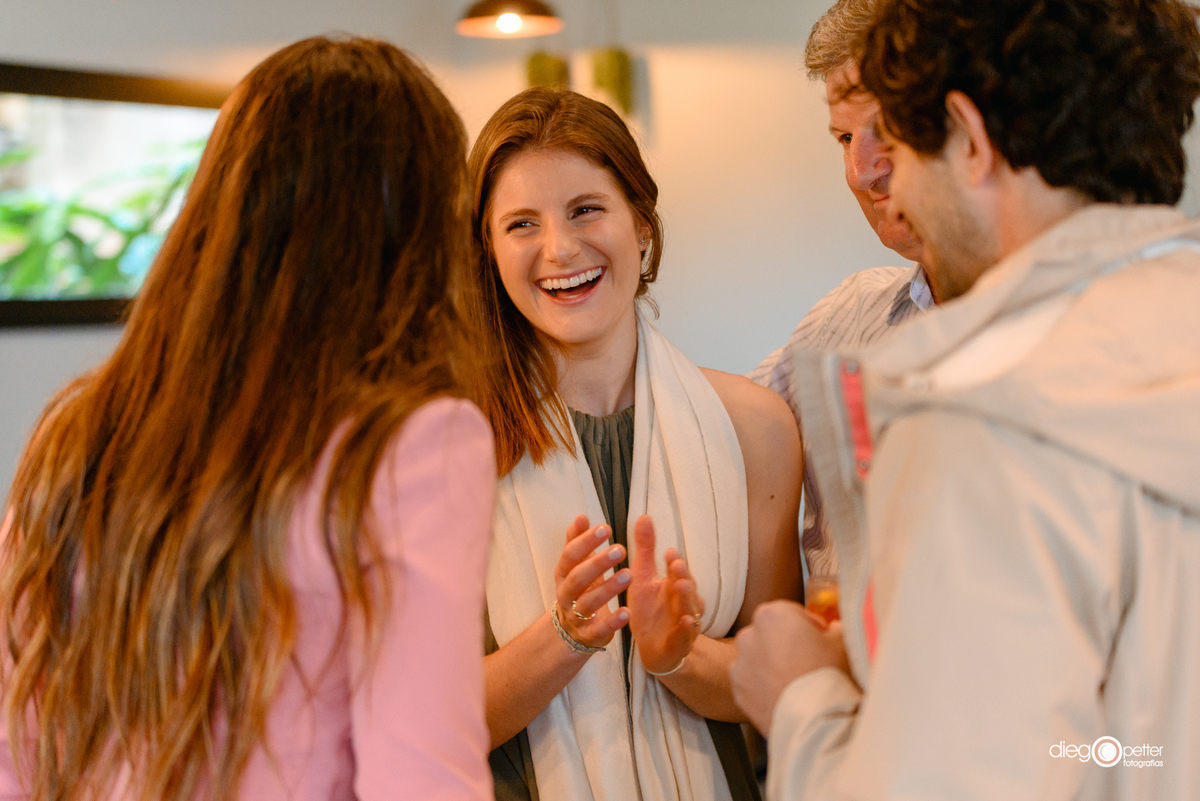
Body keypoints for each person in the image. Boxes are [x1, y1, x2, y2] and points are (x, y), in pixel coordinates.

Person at [0, 37, 495, 801]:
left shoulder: (75, 434)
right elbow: (424, 780)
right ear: (416, 231)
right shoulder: (414, 442)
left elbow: (18, 747)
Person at [731, 0, 1200, 798]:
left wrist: (801, 701)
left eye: (903, 143)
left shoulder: (980, 415)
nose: (884, 179)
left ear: (969, 139)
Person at [468, 87, 803, 801]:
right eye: (521, 224)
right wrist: (564, 637)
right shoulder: (451, 447)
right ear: (489, 252)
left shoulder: (757, 428)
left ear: (642, 225)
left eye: (586, 209)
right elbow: (425, 719)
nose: (560, 249)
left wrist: (680, 658)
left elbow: (785, 692)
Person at [748, 0, 934, 679]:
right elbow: (733, 420)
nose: (861, 171)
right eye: (841, 139)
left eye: (886, 130)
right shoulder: (853, 313)